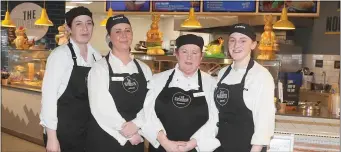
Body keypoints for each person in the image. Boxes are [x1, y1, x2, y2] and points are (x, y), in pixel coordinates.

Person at [142, 34, 220, 152]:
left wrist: (192, 143)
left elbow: (215, 119)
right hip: (162, 147)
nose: (189, 57)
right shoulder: (157, 80)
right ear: (176, 53)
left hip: (196, 148)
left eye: (194, 53)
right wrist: (165, 142)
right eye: (184, 52)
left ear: (201, 56)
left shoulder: (211, 84)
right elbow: (147, 114)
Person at [85, 15, 152, 152]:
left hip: (136, 137)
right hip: (106, 138)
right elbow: (100, 107)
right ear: (109, 37)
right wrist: (127, 133)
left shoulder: (144, 69)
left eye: (127, 30)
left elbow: (151, 102)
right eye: (118, 31)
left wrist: (137, 125)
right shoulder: (100, 68)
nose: (124, 35)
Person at [39, 6, 102, 152]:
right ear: (69, 28)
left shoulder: (96, 57)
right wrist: (52, 138)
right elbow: (48, 99)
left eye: (89, 23)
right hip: (62, 132)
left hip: (87, 130)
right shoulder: (60, 55)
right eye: (78, 24)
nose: (85, 28)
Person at [213, 23, 275, 152]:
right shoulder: (223, 73)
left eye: (243, 41)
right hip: (220, 145)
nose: (236, 45)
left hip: (247, 147)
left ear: (253, 45)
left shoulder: (261, 75)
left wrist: (256, 149)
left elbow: (265, 119)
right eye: (232, 40)